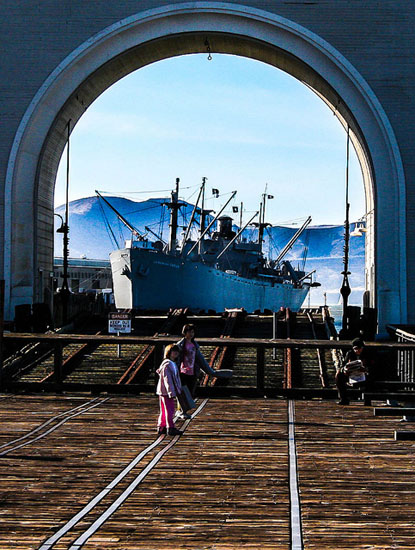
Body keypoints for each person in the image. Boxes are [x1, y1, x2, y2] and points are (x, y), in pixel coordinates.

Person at [176, 324, 233, 417]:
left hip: (192, 371)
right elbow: (177, 359)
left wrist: (209, 371)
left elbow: (200, 359)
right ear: (184, 333)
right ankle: (182, 411)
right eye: (189, 332)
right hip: (182, 371)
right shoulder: (180, 345)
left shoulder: (194, 345)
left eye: (192, 332)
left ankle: (183, 410)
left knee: (190, 392)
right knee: (182, 392)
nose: (191, 334)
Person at [335, 337, 375, 405]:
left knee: (371, 378)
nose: (357, 351)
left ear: (362, 348)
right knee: (338, 375)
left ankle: (367, 400)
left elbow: (374, 367)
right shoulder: (350, 353)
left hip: (364, 376)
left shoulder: (368, 354)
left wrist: (366, 369)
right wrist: (344, 370)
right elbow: (343, 365)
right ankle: (344, 399)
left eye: (359, 348)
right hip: (351, 375)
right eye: (355, 349)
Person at [156, 344, 183, 436]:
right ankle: (170, 427)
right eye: (173, 351)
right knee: (169, 409)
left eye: (177, 351)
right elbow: (167, 380)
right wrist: (171, 392)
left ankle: (162, 426)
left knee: (164, 409)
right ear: (169, 353)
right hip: (166, 391)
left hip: (163, 390)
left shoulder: (171, 363)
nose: (175, 353)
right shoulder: (168, 364)